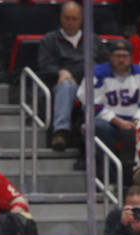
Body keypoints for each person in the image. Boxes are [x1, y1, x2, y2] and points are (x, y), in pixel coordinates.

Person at [38, 1, 107, 151]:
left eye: (74, 19)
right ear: (61, 18)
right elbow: (44, 66)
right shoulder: (49, 40)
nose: (70, 22)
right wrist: (60, 71)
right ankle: (60, 132)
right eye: (67, 18)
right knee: (66, 85)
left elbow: (104, 63)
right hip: (64, 84)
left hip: (91, 83)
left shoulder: (93, 40)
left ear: (81, 20)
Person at [81, 38, 140, 169]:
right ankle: (109, 179)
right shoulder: (97, 73)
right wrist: (118, 121)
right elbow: (90, 105)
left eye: (125, 56)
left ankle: (136, 177)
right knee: (99, 127)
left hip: (135, 120)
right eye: (117, 56)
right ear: (110, 57)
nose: (121, 60)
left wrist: (137, 119)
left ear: (131, 57)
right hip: (108, 122)